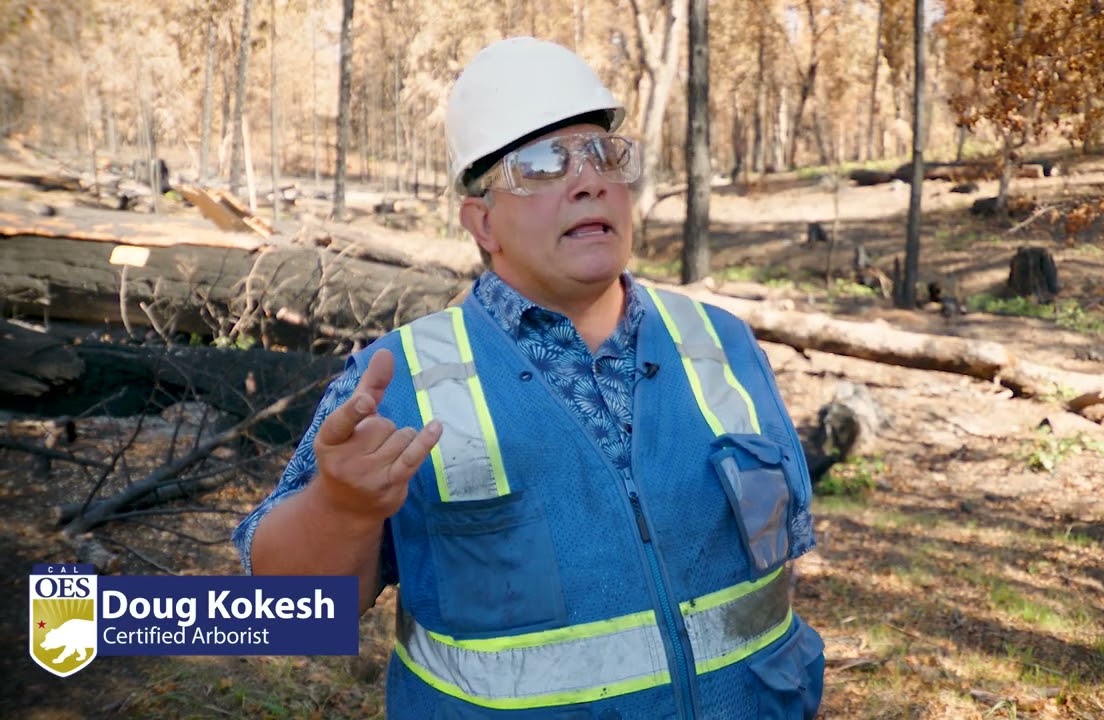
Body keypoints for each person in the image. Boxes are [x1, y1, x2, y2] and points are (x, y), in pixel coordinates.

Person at [234, 36, 825, 719]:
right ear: (482, 223)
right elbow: (290, 616)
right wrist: (341, 507)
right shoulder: (398, 379)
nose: (588, 180)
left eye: (605, 154)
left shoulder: (721, 344)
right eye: (543, 162)